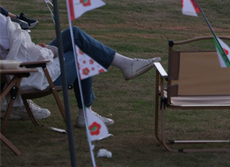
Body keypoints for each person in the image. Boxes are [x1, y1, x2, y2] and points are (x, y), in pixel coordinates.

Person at [0, 14, 159, 125]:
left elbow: (18, 51)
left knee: (73, 34)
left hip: (17, 73)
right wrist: (51, 51)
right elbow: (23, 55)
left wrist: (46, 50)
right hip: (30, 75)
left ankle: (126, 64)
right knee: (82, 54)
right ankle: (86, 112)